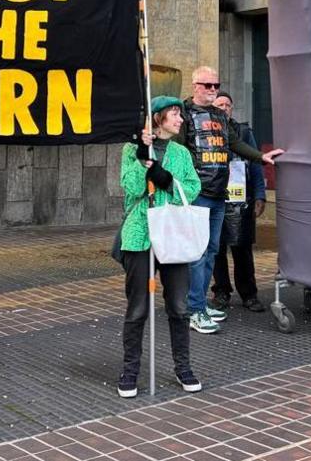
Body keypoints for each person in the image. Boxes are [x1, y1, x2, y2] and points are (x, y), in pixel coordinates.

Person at [178, 66, 284, 334]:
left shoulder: (219, 116)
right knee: (199, 254)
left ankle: (200, 302)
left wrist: (262, 157)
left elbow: (235, 143)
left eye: (216, 85)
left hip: (218, 196)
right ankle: (194, 309)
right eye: (207, 85)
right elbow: (176, 151)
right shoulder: (184, 114)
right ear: (194, 86)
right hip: (196, 195)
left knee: (212, 251)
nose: (213, 89)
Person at [116, 96, 204, 398]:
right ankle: (130, 370)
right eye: (174, 114)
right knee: (138, 307)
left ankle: (184, 367)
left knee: (179, 307)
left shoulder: (180, 152)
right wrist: (144, 161)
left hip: (174, 237)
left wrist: (166, 179)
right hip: (140, 236)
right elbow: (130, 187)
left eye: (180, 113)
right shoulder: (132, 149)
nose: (180, 119)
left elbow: (192, 188)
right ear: (157, 119)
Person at [209, 91, 267, 313]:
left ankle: (249, 294)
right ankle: (221, 292)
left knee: (242, 249)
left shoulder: (243, 131)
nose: (224, 108)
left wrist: (260, 195)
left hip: (240, 199)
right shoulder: (205, 131)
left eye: (228, 105)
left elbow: (255, 162)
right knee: (217, 249)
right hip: (214, 197)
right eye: (220, 104)